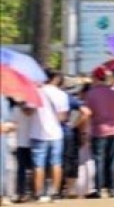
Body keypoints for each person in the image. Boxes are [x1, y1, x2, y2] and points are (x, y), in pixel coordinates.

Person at [26, 69, 69, 202]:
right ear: (55, 78)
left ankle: (39, 193)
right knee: (56, 163)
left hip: (38, 132)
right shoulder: (61, 94)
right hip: (56, 133)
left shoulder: (35, 92)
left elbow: (29, 111)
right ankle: (55, 193)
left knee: (38, 165)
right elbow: (63, 117)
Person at [84, 67, 114, 198]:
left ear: (95, 78)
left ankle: (98, 189)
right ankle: (112, 189)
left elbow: (88, 113)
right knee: (113, 160)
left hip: (99, 130)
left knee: (99, 160)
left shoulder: (91, 94)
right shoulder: (113, 93)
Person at [1, 97, 14, 206]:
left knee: (3, 168)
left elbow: (8, 119)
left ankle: (2, 195)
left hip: (3, 139)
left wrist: (10, 125)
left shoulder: (4, 100)